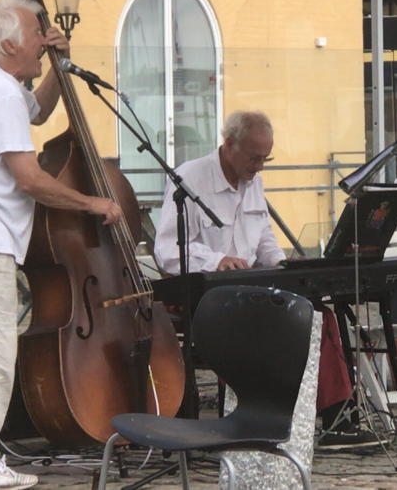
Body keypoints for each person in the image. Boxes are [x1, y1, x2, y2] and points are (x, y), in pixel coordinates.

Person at [0, 0, 123, 490]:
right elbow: (30, 179)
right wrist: (93, 203)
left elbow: (36, 112)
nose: (43, 37)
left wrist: (58, 65)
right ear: (12, 42)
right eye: (37, 32)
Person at [153, 109, 379, 450]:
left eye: (265, 159)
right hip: (206, 295)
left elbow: (263, 240)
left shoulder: (253, 182)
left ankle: (337, 421)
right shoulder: (189, 178)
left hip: (249, 288)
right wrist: (217, 260)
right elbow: (167, 249)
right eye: (254, 158)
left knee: (317, 315)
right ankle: (260, 420)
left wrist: (284, 265)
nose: (259, 167)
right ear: (229, 145)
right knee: (269, 327)